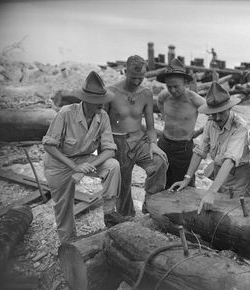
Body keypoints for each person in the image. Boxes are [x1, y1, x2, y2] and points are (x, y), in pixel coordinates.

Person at [42, 71, 121, 242]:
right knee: (63, 207)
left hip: (84, 160)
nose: (101, 105)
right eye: (97, 102)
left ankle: (109, 214)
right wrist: (74, 167)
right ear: (85, 100)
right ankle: (69, 244)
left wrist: (88, 167)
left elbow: (110, 150)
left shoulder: (103, 116)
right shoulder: (65, 113)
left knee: (112, 166)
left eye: (103, 100)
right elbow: (49, 145)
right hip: (58, 163)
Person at [170, 82, 250, 214]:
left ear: (229, 108)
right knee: (218, 211)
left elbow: (230, 160)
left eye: (221, 113)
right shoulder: (210, 122)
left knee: (237, 212)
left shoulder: (239, 127)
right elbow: (200, 151)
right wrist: (186, 179)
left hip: (238, 176)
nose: (217, 117)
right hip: (219, 171)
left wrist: (211, 192)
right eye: (213, 114)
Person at [105, 55, 168, 216]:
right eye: (133, 77)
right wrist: (104, 149)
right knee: (123, 183)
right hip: (118, 141)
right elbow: (102, 124)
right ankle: (126, 218)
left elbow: (151, 126)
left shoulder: (146, 94)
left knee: (159, 162)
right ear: (125, 72)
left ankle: (150, 206)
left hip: (139, 140)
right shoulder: (111, 92)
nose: (136, 81)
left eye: (141, 78)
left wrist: (153, 144)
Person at [156, 58, 206, 189]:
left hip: (183, 147)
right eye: (169, 86)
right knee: (160, 180)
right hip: (164, 143)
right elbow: (159, 103)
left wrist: (199, 132)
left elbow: (214, 114)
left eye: (176, 86)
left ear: (186, 83)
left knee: (185, 185)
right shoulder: (164, 95)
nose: (172, 90)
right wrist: (163, 116)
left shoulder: (195, 100)